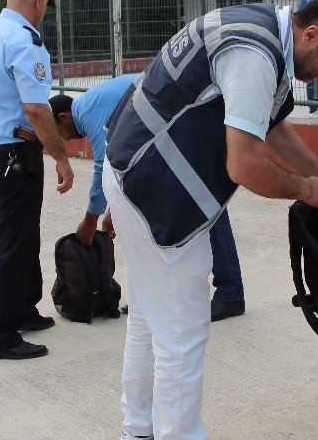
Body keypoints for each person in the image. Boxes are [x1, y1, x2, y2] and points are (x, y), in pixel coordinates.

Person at [104, 0, 318, 440]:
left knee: (146, 314)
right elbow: (245, 165)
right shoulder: (254, 54)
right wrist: (309, 190)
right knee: (183, 330)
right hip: (160, 192)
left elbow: (272, 124)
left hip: (132, 170)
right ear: (310, 34)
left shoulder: (267, 30)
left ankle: (139, 429)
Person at [49, 76, 246, 322]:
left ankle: (230, 293)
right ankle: (157, 296)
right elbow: (122, 163)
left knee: (205, 203)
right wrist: (115, 208)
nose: (65, 140)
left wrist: (91, 219)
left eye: (60, 133)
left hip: (184, 127)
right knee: (161, 214)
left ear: (64, 117)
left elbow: (103, 165)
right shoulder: (91, 105)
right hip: (172, 132)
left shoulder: (88, 112)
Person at [0, 0, 75, 361]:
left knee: (22, 230)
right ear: (40, 0)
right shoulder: (26, 41)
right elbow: (35, 107)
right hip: (15, 152)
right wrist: (61, 157)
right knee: (16, 238)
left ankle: (24, 308)